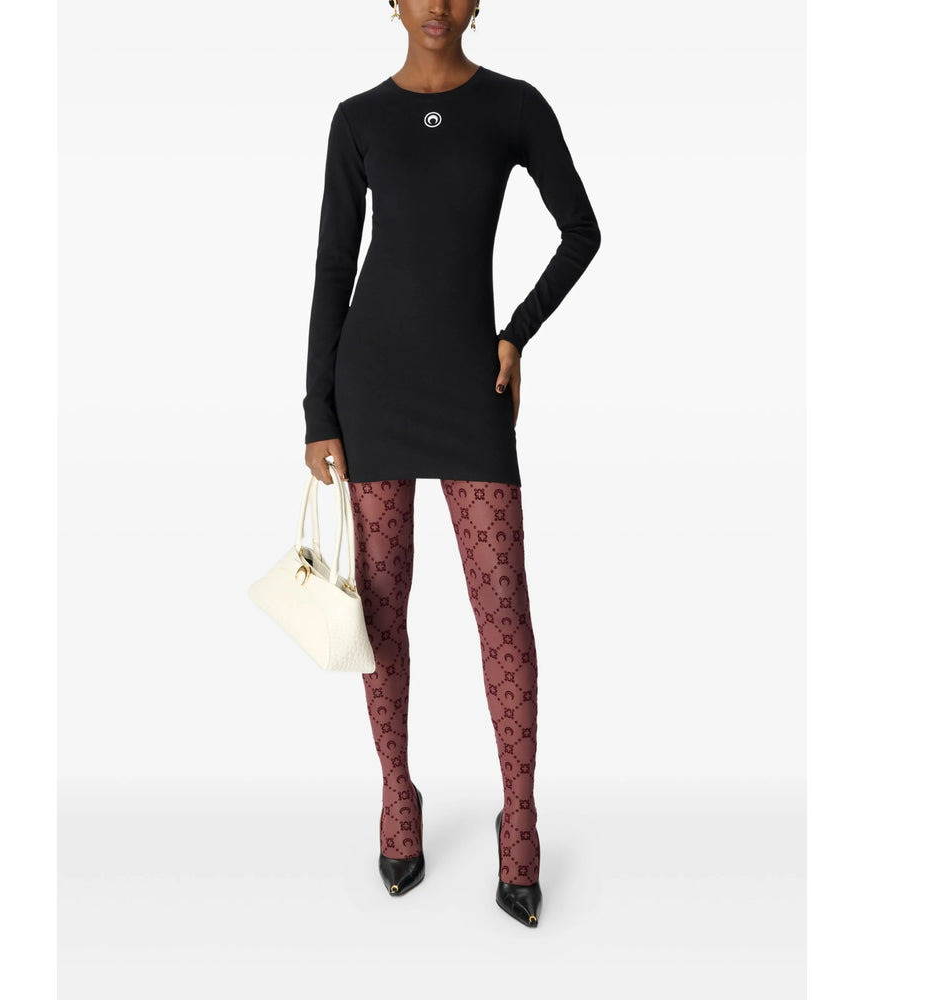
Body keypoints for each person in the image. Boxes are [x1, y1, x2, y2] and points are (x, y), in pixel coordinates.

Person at [301, 0, 600, 928]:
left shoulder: (514, 106)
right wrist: (318, 410)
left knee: (501, 606)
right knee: (380, 608)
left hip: (471, 388)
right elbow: (332, 268)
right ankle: (398, 797)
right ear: (390, 1)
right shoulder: (358, 119)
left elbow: (582, 230)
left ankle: (522, 818)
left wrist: (517, 334)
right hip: (373, 387)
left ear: (478, 4)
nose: (437, 4)